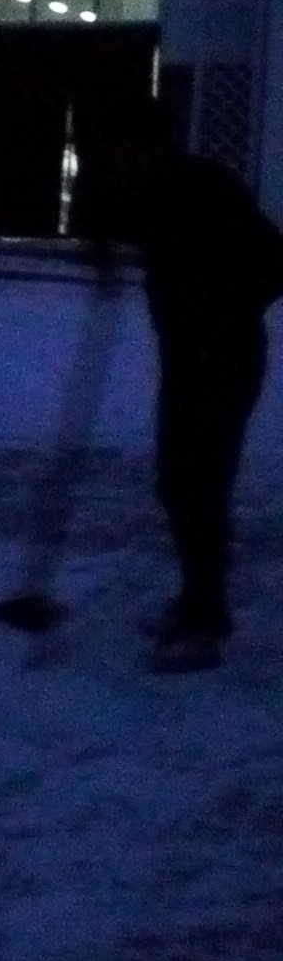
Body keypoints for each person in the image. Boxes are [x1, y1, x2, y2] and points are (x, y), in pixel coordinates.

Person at [77, 95, 283, 672]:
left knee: (201, 486)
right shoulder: (147, 191)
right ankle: (197, 601)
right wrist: (102, 252)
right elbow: (106, 215)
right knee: (177, 482)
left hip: (225, 359)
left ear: (150, 146)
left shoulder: (207, 190)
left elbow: (274, 262)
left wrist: (220, 311)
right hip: (186, 358)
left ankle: (205, 620)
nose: (118, 162)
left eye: (124, 150)